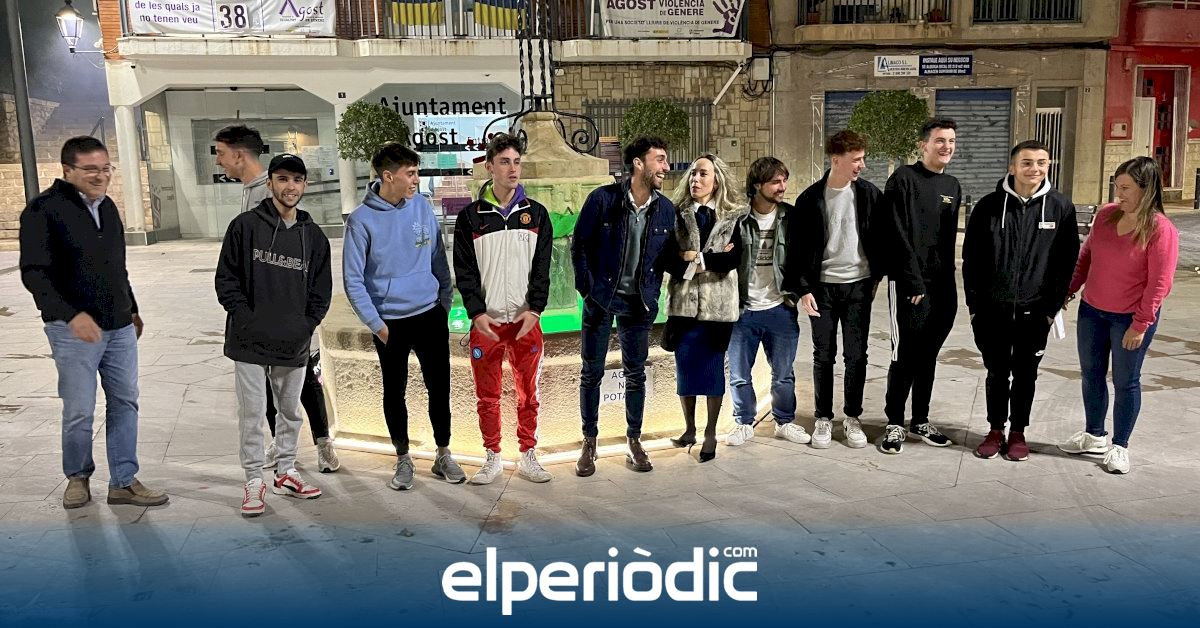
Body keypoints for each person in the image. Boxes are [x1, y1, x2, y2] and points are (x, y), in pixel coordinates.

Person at [19, 136, 169, 510]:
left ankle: (123, 482)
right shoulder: (43, 211)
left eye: (105, 168)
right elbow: (34, 273)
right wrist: (71, 316)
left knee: (125, 402)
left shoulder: (108, 207)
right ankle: (77, 477)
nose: (100, 176)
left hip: (118, 326)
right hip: (73, 331)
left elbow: (117, 266)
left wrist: (131, 308)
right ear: (67, 170)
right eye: (90, 170)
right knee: (80, 409)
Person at [214, 125, 339, 473]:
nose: (290, 186)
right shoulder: (245, 224)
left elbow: (321, 290)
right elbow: (228, 278)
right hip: (250, 338)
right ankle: (254, 479)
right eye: (282, 179)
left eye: (297, 180)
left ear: (305, 185)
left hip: (293, 339)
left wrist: (305, 324)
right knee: (254, 411)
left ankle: (293, 465)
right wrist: (245, 317)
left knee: (293, 406)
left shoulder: (313, 237)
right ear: (270, 183)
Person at [344, 143, 465, 490]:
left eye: (417, 173)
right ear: (388, 176)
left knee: (439, 388)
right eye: (410, 174)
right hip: (390, 323)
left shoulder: (422, 207)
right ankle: (403, 457)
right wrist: (377, 325)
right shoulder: (360, 221)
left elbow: (438, 258)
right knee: (394, 392)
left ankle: (443, 453)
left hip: (430, 314)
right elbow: (353, 280)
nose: (416, 180)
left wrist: (444, 302)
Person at [1058, 156, 1179, 474]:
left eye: (1126, 188)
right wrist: (1068, 289)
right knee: (1091, 374)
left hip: (1129, 319)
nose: (1118, 194)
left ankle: (1120, 446)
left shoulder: (1161, 230)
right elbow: (1087, 256)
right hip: (1092, 312)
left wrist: (1141, 324)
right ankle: (1094, 435)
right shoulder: (1106, 215)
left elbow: (1160, 284)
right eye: (1117, 186)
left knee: (1126, 381)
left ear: (1146, 189)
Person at [964, 140, 1079, 462]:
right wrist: (975, 308)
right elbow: (971, 259)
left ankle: (1018, 432)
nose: (1034, 169)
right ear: (1012, 167)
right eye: (1027, 162)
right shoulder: (989, 206)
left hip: (1036, 311)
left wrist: (1050, 308)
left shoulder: (1060, 207)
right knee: (997, 372)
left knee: (1027, 374)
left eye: (1041, 163)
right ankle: (995, 430)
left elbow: (1066, 261)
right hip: (992, 310)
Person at [571, 136, 676, 476]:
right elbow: (579, 244)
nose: (666, 166)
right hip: (601, 300)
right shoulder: (603, 199)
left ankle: (634, 440)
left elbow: (667, 257)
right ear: (638, 164)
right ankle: (589, 441)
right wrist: (587, 289)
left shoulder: (665, 209)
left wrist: (696, 260)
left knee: (636, 373)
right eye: (660, 159)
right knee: (591, 372)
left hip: (639, 303)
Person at [454, 134, 554, 484]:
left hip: (526, 322)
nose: (513, 169)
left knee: (529, 394)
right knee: (487, 395)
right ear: (489, 167)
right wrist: (476, 312)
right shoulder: (471, 217)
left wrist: (535, 309)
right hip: (488, 323)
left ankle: (528, 453)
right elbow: (464, 271)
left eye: (517, 162)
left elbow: (542, 269)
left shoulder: (536, 214)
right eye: (505, 162)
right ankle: (492, 456)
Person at [790, 130, 886, 449]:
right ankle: (823, 417)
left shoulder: (870, 195)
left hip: (858, 286)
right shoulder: (809, 199)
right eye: (856, 159)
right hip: (823, 290)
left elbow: (883, 238)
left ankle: (852, 417)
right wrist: (804, 289)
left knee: (856, 355)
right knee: (823, 355)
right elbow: (797, 250)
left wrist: (875, 277)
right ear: (836, 160)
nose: (862, 165)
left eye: (862, 159)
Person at [878, 117, 962, 454]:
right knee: (905, 356)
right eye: (940, 140)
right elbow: (894, 233)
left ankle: (921, 420)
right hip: (910, 285)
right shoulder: (902, 179)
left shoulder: (952, 185)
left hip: (943, 287)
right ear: (922, 145)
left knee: (928, 356)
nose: (946, 147)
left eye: (951, 141)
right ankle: (894, 423)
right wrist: (912, 280)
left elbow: (947, 240)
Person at [661, 154, 747, 463]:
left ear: (717, 180)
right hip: (683, 307)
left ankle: (710, 433)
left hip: (717, 308)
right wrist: (696, 259)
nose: (695, 179)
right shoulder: (676, 214)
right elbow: (668, 258)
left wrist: (696, 258)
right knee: (685, 371)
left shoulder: (734, 217)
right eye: (693, 173)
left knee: (712, 372)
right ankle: (689, 429)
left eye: (703, 174)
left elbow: (732, 259)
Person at [725, 157, 806, 447]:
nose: (782, 187)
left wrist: (794, 295)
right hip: (743, 309)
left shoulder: (792, 217)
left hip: (779, 308)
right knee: (739, 374)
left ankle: (784, 422)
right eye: (775, 182)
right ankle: (743, 423)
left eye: (784, 180)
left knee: (783, 374)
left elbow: (803, 259)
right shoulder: (737, 219)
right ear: (758, 185)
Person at [214, 125, 269, 214]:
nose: (217, 162)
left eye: (221, 154)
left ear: (238, 156)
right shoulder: (251, 189)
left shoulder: (274, 193)